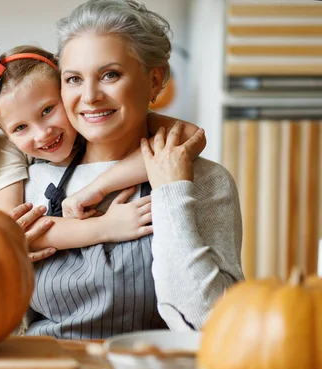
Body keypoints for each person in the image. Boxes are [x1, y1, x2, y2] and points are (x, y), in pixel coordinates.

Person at [19, 0, 244, 338]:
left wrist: (172, 192)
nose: (90, 96)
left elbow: (211, 323)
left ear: (154, 81)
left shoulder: (206, 181)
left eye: (110, 74)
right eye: (74, 79)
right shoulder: (34, 180)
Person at [0, 44, 206, 261]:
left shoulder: (94, 119)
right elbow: (10, 231)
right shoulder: (5, 145)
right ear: (5, 132)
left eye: (48, 110)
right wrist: (106, 227)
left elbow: (189, 137)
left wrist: (97, 188)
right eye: (21, 127)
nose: (42, 132)